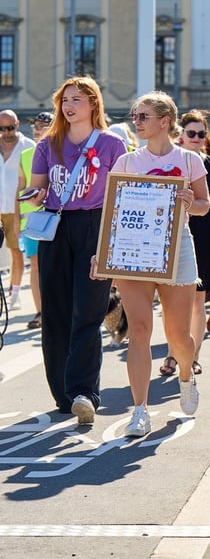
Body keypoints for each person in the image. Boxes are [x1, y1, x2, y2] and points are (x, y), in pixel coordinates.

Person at [103, 91, 210, 437]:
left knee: (177, 336)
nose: (136, 120)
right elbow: (111, 213)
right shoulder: (127, 162)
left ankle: (184, 374)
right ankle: (140, 410)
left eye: (143, 115)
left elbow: (204, 206)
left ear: (165, 121)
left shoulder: (190, 160)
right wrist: (101, 252)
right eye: (135, 115)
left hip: (176, 248)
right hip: (134, 252)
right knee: (139, 332)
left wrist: (189, 201)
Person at [25, 77, 127, 423]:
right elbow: (37, 189)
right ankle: (62, 393)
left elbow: (121, 197)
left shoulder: (112, 145)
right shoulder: (47, 144)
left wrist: (112, 242)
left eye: (77, 100)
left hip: (96, 226)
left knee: (88, 311)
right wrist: (33, 196)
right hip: (56, 227)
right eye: (65, 100)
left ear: (93, 104)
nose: (69, 106)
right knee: (55, 314)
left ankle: (84, 391)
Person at [156, 110, 210, 377]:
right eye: (192, 133)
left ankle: (194, 355)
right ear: (181, 135)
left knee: (198, 302)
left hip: (205, 234)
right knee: (171, 301)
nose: (198, 138)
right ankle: (172, 352)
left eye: (202, 134)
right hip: (174, 232)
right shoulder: (169, 161)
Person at [18, 111, 53, 329]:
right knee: (35, 265)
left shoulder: (59, 150)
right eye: (35, 126)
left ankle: (55, 310)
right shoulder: (26, 154)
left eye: (42, 125)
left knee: (55, 266)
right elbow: (20, 188)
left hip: (55, 216)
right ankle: (40, 311)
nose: (36, 129)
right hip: (32, 218)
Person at [0, 109, 35, 311]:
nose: (6, 132)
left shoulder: (28, 147)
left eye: (10, 128)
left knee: (15, 252)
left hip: (16, 209)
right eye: (2, 129)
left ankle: (14, 294)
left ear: (18, 124)